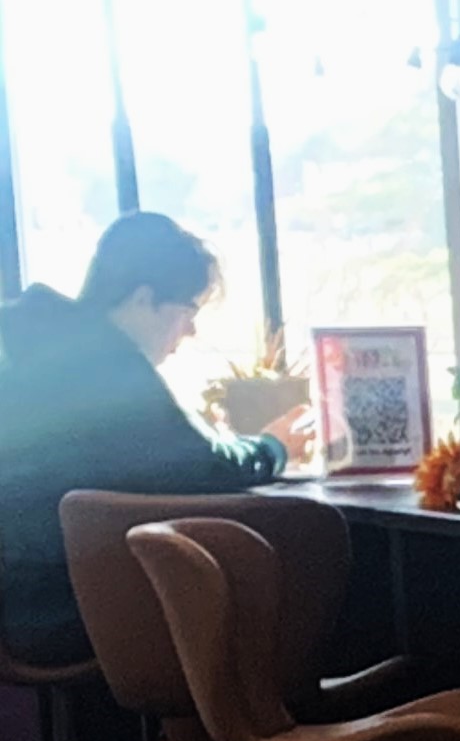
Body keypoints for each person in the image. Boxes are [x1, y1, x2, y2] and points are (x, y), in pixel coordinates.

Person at [0, 212, 289, 670]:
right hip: (59, 608)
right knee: (274, 593)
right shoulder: (103, 362)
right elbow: (204, 465)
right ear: (143, 298)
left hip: (23, 600)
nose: (190, 330)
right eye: (188, 310)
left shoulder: (33, 340)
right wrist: (274, 446)